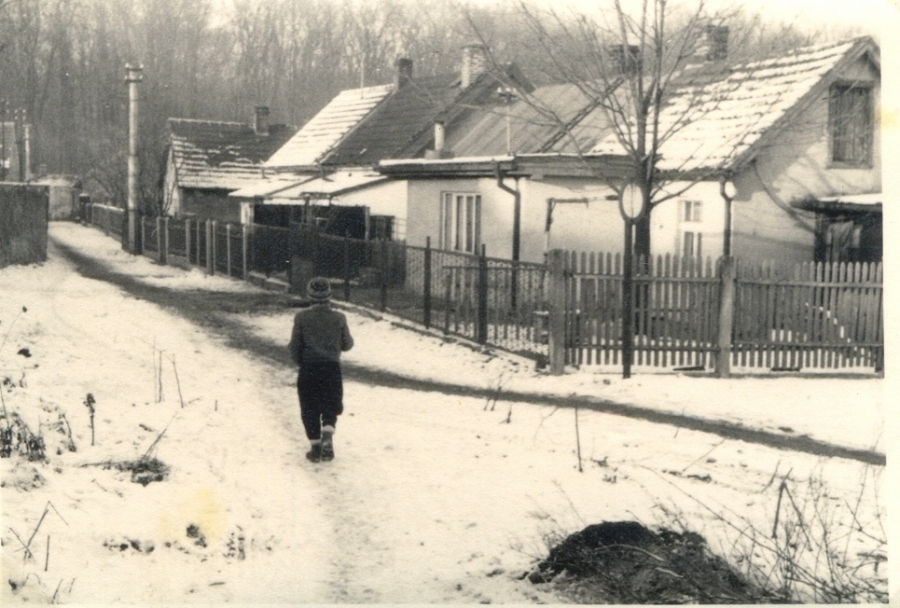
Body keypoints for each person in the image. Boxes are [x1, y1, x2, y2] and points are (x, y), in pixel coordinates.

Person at [288, 277, 354, 462]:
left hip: (309, 368)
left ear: (309, 296)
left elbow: (294, 347)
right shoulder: (339, 318)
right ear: (330, 295)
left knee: (309, 407)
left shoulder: (301, 318)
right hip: (331, 368)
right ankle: (327, 432)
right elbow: (347, 344)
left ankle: (316, 447)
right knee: (331, 404)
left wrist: (301, 362)